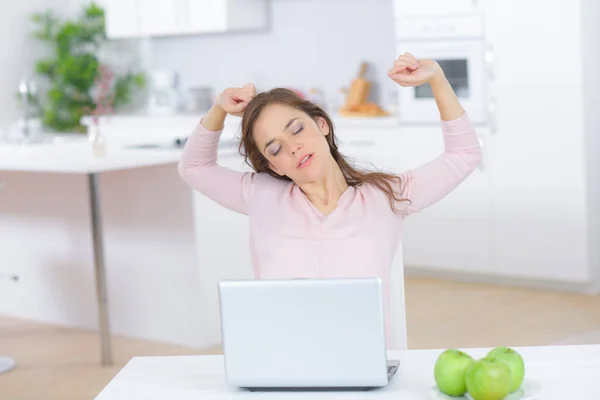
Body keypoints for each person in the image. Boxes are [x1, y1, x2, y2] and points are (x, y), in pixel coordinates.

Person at [178, 53, 483, 347]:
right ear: (273, 166)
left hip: (363, 364)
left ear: (322, 124)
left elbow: (464, 154)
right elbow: (194, 167)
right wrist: (219, 109)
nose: (293, 147)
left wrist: (438, 81)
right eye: (275, 149)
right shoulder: (262, 194)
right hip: (280, 364)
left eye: (296, 129)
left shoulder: (386, 197)